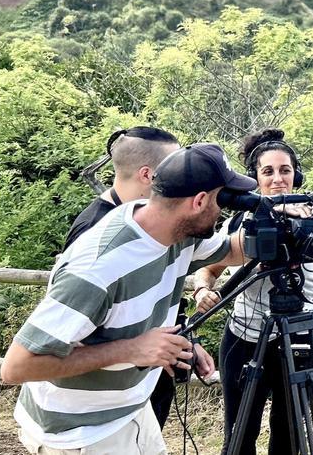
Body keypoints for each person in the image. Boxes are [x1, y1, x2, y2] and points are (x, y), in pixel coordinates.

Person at [0, 143, 257, 454]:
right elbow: (16, 367)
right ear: (199, 201)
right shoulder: (98, 267)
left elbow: (231, 250)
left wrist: (287, 221)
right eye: (223, 200)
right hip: (80, 433)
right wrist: (133, 349)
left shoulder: (173, 233)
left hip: (130, 409)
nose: (224, 210)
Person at [193, 128, 313, 455]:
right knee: (239, 432)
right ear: (255, 177)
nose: (277, 179)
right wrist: (202, 288)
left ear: (295, 175)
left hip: (306, 333)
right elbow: (210, 267)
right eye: (268, 171)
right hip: (247, 338)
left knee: (288, 433)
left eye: (285, 170)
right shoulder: (240, 223)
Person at [62, 125, 215, 430]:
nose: (182, 176)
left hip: (146, 386)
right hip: (102, 410)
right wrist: (137, 349)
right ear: (148, 175)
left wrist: (182, 341)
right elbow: (71, 336)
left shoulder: (154, 222)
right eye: (173, 167)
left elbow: (150, 296)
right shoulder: (95, 232)